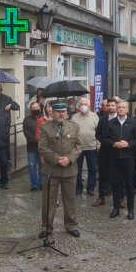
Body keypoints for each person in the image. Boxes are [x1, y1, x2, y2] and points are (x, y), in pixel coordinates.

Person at [38, 102, 83, 240]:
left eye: (63, 111)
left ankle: (71, 226)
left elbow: (79, 146)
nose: (61, 114)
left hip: (70, 170)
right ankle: (46, 227)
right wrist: (57, 159)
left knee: (70, 199)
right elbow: (42, 147)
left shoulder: (74, 127)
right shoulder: (46, 128)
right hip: (52, 170)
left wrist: (69, 159)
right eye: (58, 111)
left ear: (67, 113)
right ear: (52, 113)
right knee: (49, 200)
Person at [102, 100, 136, 219]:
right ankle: (116, 208)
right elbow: (104, 138)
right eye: (119, 107)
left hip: (129, 158)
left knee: (129, 184)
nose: (121, 109)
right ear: (116, 109)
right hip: (114, 158)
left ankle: (131, 210)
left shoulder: (133, 122)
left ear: (127, 109)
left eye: (123, 107)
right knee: (116, 184)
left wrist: (128, 144)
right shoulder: (110, 123)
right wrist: (113, 144)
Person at [71, 97, 99, 196]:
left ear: (89, 105)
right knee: (77, 169)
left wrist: (98, 144)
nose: (83, 106)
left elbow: (98, 132)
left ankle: (91, 188)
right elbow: (72, 132)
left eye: (85, 104)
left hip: (92, 147)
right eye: (82, 104)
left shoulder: (95, 116)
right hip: (78, 148)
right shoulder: (74, 117)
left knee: (92, 169)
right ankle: (78, 187)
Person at [93, 97, 117, 207]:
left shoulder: (122, 119)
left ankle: (119, 198)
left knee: (117, 176)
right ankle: (101, 197)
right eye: (109, 105)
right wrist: (105, 141)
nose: (111, 107)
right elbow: (97, 134)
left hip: (118, 152)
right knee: (102, 175)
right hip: (104, 151)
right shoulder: (102, 119)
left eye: (113, 105)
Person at [0, 83, 20, 166]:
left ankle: (7, 159)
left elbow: (17, 107)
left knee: (5, 142)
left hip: (5, 125)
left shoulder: (7, 98)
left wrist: (11, 105)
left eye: (0, 89)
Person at [23, 102, 43, 191]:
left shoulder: (43, 118)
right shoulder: (27, 119)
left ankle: (42, 183)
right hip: (32, 147)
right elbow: (26, 133)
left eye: (37, 107)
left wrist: (42, 142)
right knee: (32, 166)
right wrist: (37, 140)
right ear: (31, 109)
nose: (36, 109)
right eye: (33, 108)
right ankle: (34, 184)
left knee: (42, 166)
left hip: (43, 147)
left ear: (39, 107)